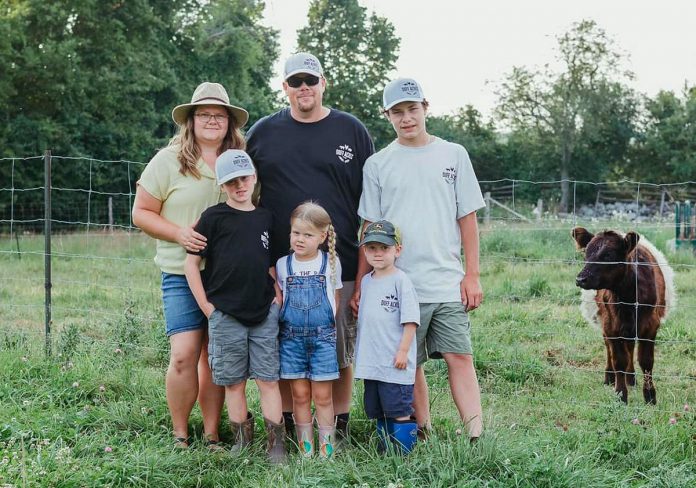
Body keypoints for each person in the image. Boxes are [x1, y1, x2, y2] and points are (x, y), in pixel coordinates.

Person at [246, 52, 375, 441]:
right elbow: (242, 190)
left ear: (323, 84)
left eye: (310, 80)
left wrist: (366, 266)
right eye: (295, 81)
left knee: (337, 347)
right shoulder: (264, 132)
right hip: (280, 267)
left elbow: (369, 201)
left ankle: (339, 423)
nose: (304, 87)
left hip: (341, 263)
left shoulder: (351, 130)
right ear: (284, 87)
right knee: (287, 344)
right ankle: (289, 423)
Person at [356, 78, 485, 440]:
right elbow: (368, 229)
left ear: (425, 108)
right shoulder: (378, 164)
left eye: (412, 109)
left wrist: (471, 274)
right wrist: (363, 285)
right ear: (388, 116)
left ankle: (475, 434)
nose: (406, 118)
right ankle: (421, 428)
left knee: (460, 357)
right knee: (408, 365)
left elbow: (468, 219)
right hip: (398, 282)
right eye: (397, 112)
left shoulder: (453, 154)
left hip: (446, 279)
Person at [132, 82, 248, 449]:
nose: (212, 120)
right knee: (184, 353)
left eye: (219, 115)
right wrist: (179, 233)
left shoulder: (240, 159)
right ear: (191, 120)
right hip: (181, 272)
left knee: (215, 356)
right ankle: (181, 432)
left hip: (227, 275)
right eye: (204, 114)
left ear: (229, 122)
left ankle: (213, 433)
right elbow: (141, 213)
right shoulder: (168, 160)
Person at [183, 149, 286, 463]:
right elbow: (191, 264)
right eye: (231, 182)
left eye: (244, 178)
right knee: (234, 382)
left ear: (253, 177)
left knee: (269, 380)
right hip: (225, 314)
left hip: (262, 312)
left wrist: (277, 294)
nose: (239, 185)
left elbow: (269, 263)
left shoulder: (266, 217)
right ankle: (242, 443)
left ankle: (276, 447)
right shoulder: (213, 217)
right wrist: (207, 307)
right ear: (222, 185)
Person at [275, 202, 342, 458]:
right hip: (291, 339)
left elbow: (335, 299)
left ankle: (327, 450)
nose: (300, 239)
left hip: (323, 338)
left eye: (308, 234)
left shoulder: (331, 264)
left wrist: (326, 326)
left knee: (323, 396)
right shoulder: (283, 265)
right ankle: (306, 450)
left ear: (323, 237)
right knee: (299, 395)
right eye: (296, 232)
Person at [354, 220, 420, 454]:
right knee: (379, 409)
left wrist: (403, 350)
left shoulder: (400, 280)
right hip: (372, 363)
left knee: (398, 408)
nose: (378, 253)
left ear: (397, 250)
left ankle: (403, 455)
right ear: (364, 251)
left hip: (394, 363)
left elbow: (411, 320)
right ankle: (385, 451)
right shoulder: (366, 281)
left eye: (384, 248)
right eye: (372, 248)